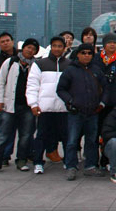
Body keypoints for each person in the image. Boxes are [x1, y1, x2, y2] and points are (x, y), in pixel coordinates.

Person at [0, 38, 39, 174]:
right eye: (28, 47)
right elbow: (0, 82)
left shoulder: (36, 66)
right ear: (23, 48)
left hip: (27, 106)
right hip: (9, 105)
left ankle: (21, 160)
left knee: (26, 135)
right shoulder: (10, 62)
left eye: (33, 49)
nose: (30, 50)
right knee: (3, 135)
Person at [57, 43, 109, 180]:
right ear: (78, 54)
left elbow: (106, 88)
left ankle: (90, 166)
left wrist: (102, 103)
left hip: (93, 112)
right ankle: (71, 166)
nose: (86, 55)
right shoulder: (70, 70)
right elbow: (61, 89)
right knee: (72, 140)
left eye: (89, 53)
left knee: (92, 140)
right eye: (83, 53)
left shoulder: (96, 70)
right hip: (76, 112)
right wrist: (70, 101)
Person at [26, 36, 70, 174]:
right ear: (51, 47)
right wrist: (33, 104)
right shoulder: (40, 64)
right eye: (54, 46)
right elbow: (32, 85)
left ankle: (68, 161)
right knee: (41, 136)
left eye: (60, 46)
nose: (57, 48)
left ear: (64, 48)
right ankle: (38, 162)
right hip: (45, 107)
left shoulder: (70, 64)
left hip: (64, 108)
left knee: (66, 136)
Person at [92, 32, 116, 167]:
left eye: (114, 42)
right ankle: (93, 160)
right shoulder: (96, 59)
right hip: (98, 103)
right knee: (95, 132)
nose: (112, 45)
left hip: (114, 103)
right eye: (109, 42)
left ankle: (106, 159)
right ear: (104, 45)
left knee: (110, 133)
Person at [0, 31, 18, 166]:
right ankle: (2, 156)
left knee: (26, 132)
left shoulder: (21, 57)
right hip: (6, 100)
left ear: (12, 41)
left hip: (22, 100)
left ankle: (24, 155)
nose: (5, 43)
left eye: (7, 41)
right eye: (2, 42)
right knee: (5, 131)